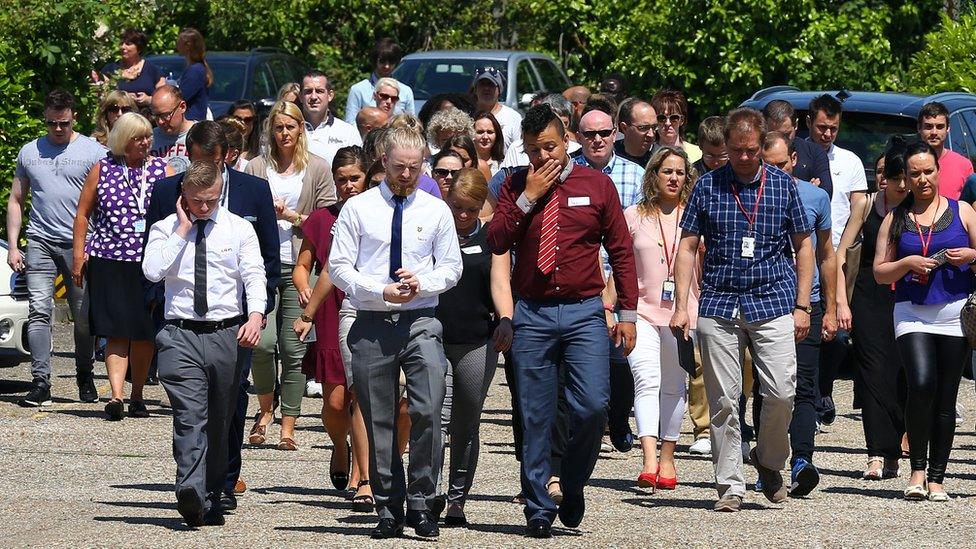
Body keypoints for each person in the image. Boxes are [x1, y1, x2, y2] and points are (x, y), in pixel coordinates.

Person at [488, 105, 638, 537]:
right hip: (531, 313)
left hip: (584, 311)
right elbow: (497, 238)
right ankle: (537, 505)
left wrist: (626, 313)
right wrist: (527, 196)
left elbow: (622, 252)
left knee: (592, 406)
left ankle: (572, 481)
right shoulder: (515, 183)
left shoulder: (597, 184)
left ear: (567, 139)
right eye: (534, 151)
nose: (543, 159)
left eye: (550, 148)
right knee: (534, 414)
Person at [670, 107, 814, 512]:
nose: (744, 158)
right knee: (724, 400)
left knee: (782, 392)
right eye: (736, 151)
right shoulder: (708, 186)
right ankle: (730, 485)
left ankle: (768, 461)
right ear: (726, 147)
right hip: (719, 301)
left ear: (763, 144)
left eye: (751, 150)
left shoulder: (784, 186)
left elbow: (805, 246)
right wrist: (681, 305)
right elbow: (687, 246)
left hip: (772, 300)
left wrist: (803, 304)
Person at [329, 127, 462, 539]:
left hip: (422, 321)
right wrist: (378, 290)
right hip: (371, 322)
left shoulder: (435, 209)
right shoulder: (359, 208)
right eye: (400, 166)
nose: (407, 174)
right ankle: (388, 505)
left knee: (428, 409)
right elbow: (338, 267)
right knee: (378, 417)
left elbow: (452, 267)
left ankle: (422, 502)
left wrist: (424, 281)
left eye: (415, 166)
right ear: (383, 161)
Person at [145, 120, 280, 512]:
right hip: (180, 332)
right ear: (182, 194)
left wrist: (256, 315)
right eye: (195, 201)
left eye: (210, 201)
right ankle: (190, 488)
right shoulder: (166, 228)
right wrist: (181, 231)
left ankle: (216, 488)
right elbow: (152, 271)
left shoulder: (238, 229)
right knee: (190, 413)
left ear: (221, 192)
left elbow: (256, 273)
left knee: (222, 417)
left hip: (228, 333)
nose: (203, 208)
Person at [873, 141, 976, 501]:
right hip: (912, 313)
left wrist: (971, 255)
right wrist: (907, 264)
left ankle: (937, 479)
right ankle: (916, 471)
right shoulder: (896, 218)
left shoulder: (962, 211)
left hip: (954, 315)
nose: (922, 179)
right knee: (920, 384)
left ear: (938, 171)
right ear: (905, 178)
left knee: (946, 397)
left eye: (928, 171)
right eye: (913, 174)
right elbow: (880, 273)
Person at [244, 100, 336, 450]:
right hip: (263, 265)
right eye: (278, 127)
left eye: (290, 127)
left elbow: (327, 220)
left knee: (293, 345)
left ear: (301, 129)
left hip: (303, 264)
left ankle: (289, 422)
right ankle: (265, 410)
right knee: (262, 344)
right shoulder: (254, 167)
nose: (284, 133)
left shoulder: (317, 168)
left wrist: (292, 217)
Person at [72, 112, 173, 419]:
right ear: (124, 140)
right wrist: (79, 254)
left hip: (148, 262)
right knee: (115, 330)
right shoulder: (103, 169)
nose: (146, 142)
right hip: (109, 260)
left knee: (143, 331)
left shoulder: (161, 169)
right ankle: (116, 396)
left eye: (147, 137)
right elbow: (83, 214)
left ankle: (138, 395)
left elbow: (176, 213)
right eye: (139, 137)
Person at [755, 132, 838, 497]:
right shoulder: (750, 195)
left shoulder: (816, 196)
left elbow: (826, 255)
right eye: (767, 165)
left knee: (804, 384)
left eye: (781, 164)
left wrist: (833, 307)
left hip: (809, 301)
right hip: (764, 302)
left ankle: (802, 459)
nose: (776, 171)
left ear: (793, 160)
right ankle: (767, 462)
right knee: (768, 387)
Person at [9, 90, 104, 407]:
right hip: (40, 240)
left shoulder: (93, 152)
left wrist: (97, 243)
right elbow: (16, 200)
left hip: (80, 244)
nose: (58, 129)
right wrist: (13, 245)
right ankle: (40, 381)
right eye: (51, 123)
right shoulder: (30, 152)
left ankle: (84, 374)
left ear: (73, 116)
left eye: (63, 123)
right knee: (39, 310)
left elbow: (103, 204)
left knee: (83, 316)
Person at [432, 168, 514, 526]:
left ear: (482, 206)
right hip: (434, 335)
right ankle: (429, 491)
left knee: (466, 422)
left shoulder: (493, 238)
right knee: (435, 415)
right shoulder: (435, 233)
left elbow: (500, 283)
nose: (463, 216)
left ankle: (457, 498)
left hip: (477, 341)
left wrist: (506, 319)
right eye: (457, 208)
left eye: (471, 208)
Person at [624, 147, 699, 490]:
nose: (673, 178)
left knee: (673, 386)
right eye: (667, 171)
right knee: (646, 379)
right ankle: (649, 458)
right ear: (653, 174)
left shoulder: (696, 216)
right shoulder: (633, 215)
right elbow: (617, 265)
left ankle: (668, 457)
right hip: (641, 310)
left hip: (683, 312)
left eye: (680, 172)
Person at [836, 139, 909, 481]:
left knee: (902, 375)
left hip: (907, 295)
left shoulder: (917, 208)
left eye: (898, 176)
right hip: (867, 294)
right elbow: (840, 255)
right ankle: (876, 453)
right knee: (871, 374)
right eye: (890, 176)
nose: (896, 183)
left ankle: (897, 445)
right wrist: (840, 302)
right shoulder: (866, 206)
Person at [806, 93, 867, 425]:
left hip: (839, 252)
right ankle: (812, 395)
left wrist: (844, 248)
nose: (827, 134)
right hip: (803, 246)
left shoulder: (850, 161)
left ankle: (823, 386)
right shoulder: (798, 156)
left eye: (833, 128)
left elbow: (858, 207)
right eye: (821, 127)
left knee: (839, 333)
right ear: (809, 124)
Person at [762, 99, 833, 196]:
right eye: (773, 134)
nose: (780, 140)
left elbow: (824, 194)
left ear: (795, 125)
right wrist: (808, 189)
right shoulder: (756, 152)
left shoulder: (814, 152)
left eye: (786, 134)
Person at [344, 37, 416, 123]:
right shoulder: (358, 90)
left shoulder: (406, 91)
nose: (387, 66)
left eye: (391, 62)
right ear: (375, 60)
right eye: (382, 61)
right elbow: (351, 123)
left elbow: (411, 125)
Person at [300, 70, 362, 165]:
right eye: (308, 91)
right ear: (300, 96)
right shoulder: (289, 130)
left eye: (319, 91)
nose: (313, 97)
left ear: (330, 95)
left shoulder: (347, 132)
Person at [918, 102, 974, 200]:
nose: (934, 132)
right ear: (919, 128)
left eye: (940, 127)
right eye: (928, 126)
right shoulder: (907, 163)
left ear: (948, 128)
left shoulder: (963, 165)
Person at [95, 29, 164, 107]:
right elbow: (102, 96)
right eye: (122, 43)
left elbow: (164, 99)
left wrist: (148, 99)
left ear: (139, 48)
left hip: (146, 117)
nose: (123, 47)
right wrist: (124, 98)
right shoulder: (110, 70)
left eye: (128, 44)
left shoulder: (153, 70)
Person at [471, 66, 522, 151]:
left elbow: (519, 151)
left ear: (500, 90)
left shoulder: (513, 118)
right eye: (482, 84)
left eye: (491, 84)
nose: (486, 88)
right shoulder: (465, 116)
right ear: (475, 89)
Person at [150, 85, 196, 173]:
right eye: (156, 115)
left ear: (182, 107)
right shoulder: (149, 139)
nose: (160, 121)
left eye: (166, 115)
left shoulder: (201, 135)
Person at [651, 89, 701, 163]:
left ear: (682, 120)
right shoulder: (647, 154)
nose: (668, 123)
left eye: (674, 118)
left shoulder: (697, 154)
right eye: (662, 118)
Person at [175, 28, 211, 121]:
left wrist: (150, 99)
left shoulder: (195, 71)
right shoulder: (195, 68)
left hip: (192, 121)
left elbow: (180, 98)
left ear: (187, 45)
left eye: (178, 42)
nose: (176, 45)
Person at [615, 99, 658, 168]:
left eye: (654, 127)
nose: (651, 134)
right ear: (624, 128)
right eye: (643, 128)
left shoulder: (659, 160)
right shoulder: (610, 157)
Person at [474, 111, 504, 176]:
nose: (485, 137)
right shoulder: (466, 163)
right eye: (480, 132)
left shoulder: (503, 166)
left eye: (490, 132)